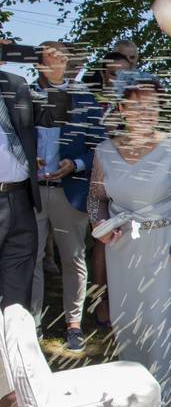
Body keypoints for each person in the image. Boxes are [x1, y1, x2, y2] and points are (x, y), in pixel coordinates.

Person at [87, 72, 171, 407]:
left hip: (164, 248)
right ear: (121, 107)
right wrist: (98, 226)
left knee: (162, 323)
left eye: (151, 105)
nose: (145, 112)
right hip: (121, 249)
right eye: (136, 105)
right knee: (128, 323)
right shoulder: (105, 151)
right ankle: (135, 405)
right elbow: (95, 198)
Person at [29, 41, 105, 350]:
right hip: (30, 192)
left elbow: (98, 145)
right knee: (30, 260)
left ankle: (73, 324)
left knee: (72, 259)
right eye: (49, 58)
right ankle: (33, 324)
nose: (55, 62)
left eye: (61, 58)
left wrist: (75, 164)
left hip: (68, 191)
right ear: (39, 64)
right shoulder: (24, 95)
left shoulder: (84, 98)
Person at [86, 51, 133, 329]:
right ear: (104, 75)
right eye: (114, 73)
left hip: (131, 182)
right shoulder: (92, 104)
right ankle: (100, 302)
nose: (119, 79)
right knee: (101, 245)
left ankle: (126, 302)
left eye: (125, 74)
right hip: (92, 181)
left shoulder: (137, 102)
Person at [0, 66, 40, 310]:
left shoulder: (16, 84)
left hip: (21, 198)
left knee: (17, 294)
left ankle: (12, 345)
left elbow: (43, 122)